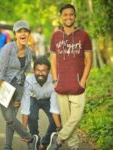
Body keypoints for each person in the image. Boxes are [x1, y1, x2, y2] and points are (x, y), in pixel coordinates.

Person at [47, 4, 92, 150]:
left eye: (71, 14)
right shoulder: (55, 36)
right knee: (66, 120)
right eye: (65, 14)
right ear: (61, 17)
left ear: (75, 16)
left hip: (77, 83)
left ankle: (59, 139)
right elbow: (53, 60)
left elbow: (88, 60)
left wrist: (83, 80)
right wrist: (55, 80)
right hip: (61, 83)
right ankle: (73, 147)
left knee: (76, 116)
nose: (68, 17)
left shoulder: (84, 35)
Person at [0, 20, 38, 150]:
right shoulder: (7, 49)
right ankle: (30, 138)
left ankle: (7, 147)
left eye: (26, 31)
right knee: (9, 118)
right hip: (4, 87)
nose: (23, 34)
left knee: (10, 119)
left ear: (29, 34)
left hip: (18, 88)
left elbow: (28, 70)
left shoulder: (29, 51)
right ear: (15, 34)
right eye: (20, 31)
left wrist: (20, 95)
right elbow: (0, 73)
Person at [21, 56, 62, 150]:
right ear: (33, 70)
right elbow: (25, 107)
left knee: (55, 119)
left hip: (48, 100)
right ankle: (34, 139)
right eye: (37, 70)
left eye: (43, 70)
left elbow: (55, 108)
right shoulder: (28, 80)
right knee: (32, 116)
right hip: (34, 98)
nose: (40, 73)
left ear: (49, 71)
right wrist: (23, 130)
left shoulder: (54, 81)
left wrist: (59, 127)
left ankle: (45, 143)